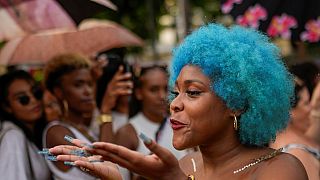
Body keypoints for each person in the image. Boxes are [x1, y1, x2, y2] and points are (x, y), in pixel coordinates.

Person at [49, 23, 308, 179]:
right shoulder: (185, 165)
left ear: (235, 104)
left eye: (193, 92)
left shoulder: (280, 169)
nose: (174, 104)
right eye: (175, 93)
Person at [42, 53, 130, 179]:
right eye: (78, 85)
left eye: (90, 84)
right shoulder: (56, 132)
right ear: (59, 92)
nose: (87, 91)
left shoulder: (84, 126)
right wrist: (105, 111)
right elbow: (105, 166)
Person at [0, 70, 51, 179]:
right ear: (7, 107)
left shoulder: (31, 133)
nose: (33, 100)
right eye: (23, 99)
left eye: (36, 92)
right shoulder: (13, 137)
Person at [270, 75, 319, 180]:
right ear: (289, 111)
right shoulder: (295, 153)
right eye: (306, 103)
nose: (311, 109)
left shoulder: (296, 139)